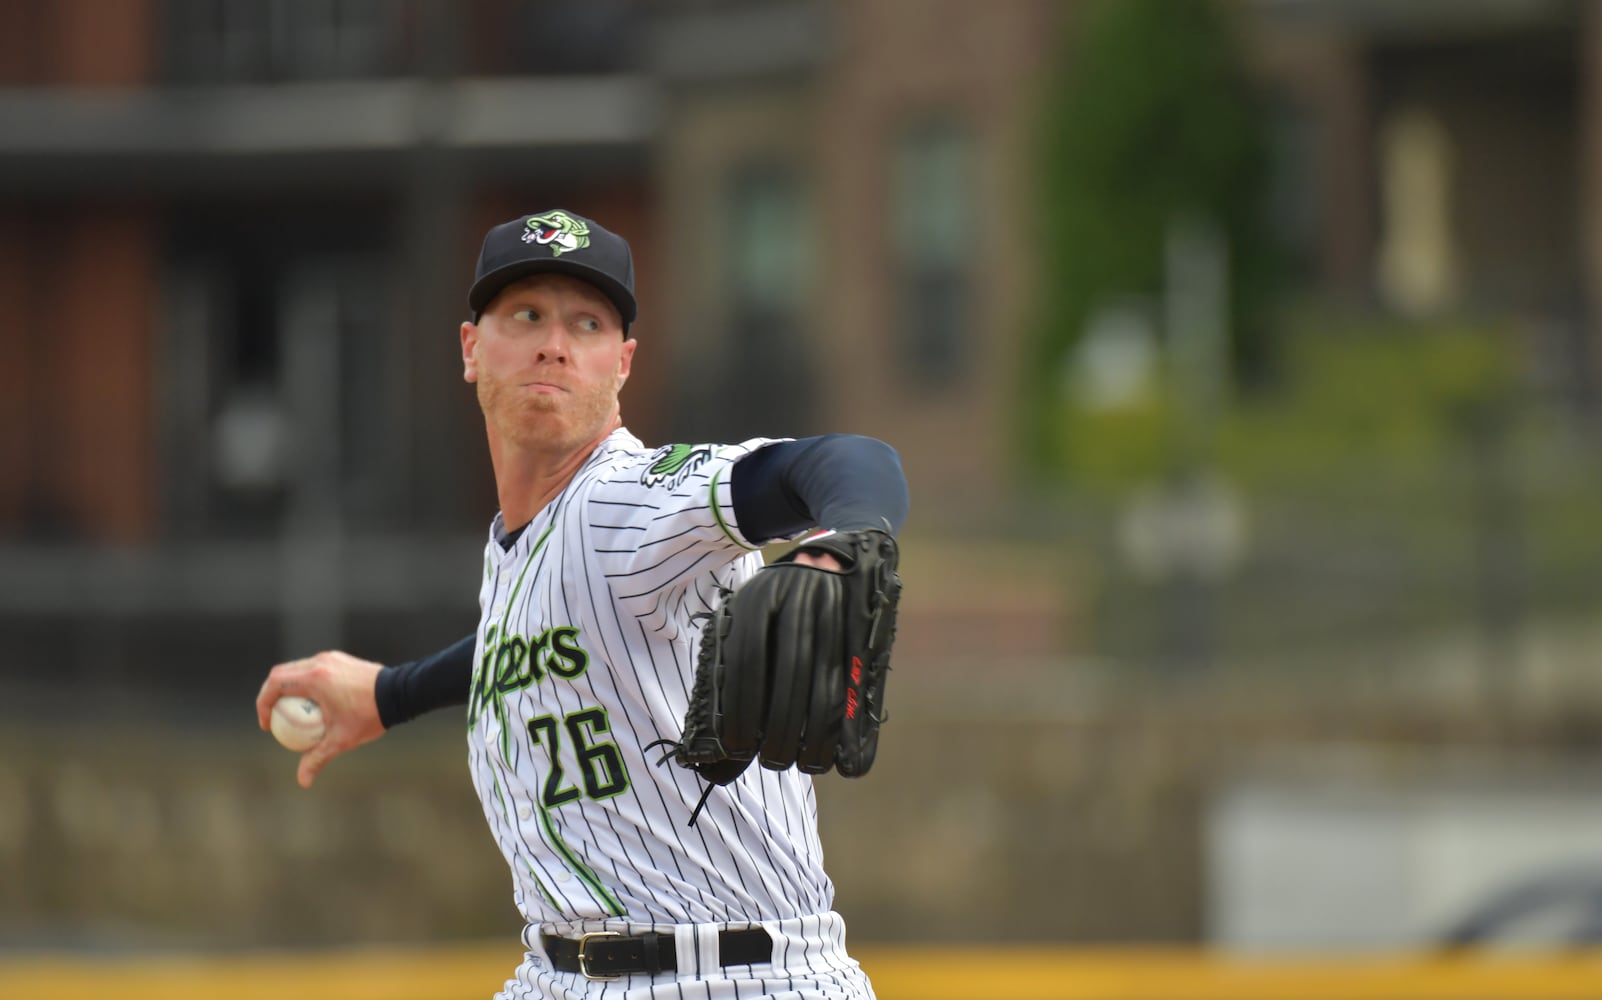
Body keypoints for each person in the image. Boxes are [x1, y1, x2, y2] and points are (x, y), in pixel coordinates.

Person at [256, 209, 909, 1000]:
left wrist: (835, 547)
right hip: (557, 976)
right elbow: (528, 640)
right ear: (471, 348)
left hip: (737, 977)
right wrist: (390, 695)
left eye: (587, 323)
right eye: (526, 314)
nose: (554, 343)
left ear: (623, 362)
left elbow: (851, 461)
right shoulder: (523, 543)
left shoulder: (625, 503)